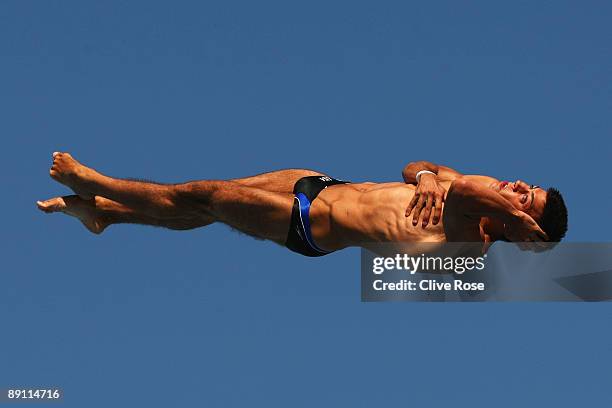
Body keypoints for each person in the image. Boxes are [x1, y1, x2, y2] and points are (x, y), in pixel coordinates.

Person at [37, 153, 567, 256]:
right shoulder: (473, 192)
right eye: (527, 185)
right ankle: (107, 213)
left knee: (206, 197)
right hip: (317, 182)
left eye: (527, 198)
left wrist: (509, 216)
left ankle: (94, 182)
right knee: (203, 207)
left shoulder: (468, 245)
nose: (519, 186)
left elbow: (470, 189)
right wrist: (427, 175)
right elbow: (413, 164)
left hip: (310, 225)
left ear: (523, 228)